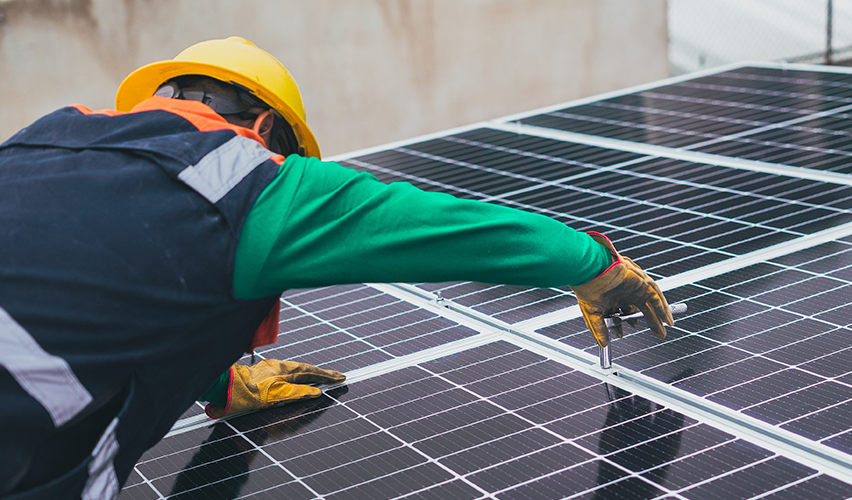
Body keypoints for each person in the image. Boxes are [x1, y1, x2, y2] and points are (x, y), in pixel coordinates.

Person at [0, 36, 672, 499]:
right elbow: (445, 226)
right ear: (266, 129)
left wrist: (222, 387)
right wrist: (595, 265)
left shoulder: (47, 136)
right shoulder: (249, 181)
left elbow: (110, 280)